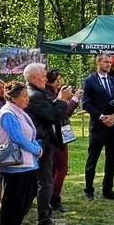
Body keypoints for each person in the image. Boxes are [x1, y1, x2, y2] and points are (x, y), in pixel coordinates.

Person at [0, 82, 44, 225]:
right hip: (14, 164)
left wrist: (36, 146)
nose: (27, 99)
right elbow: (17, 137)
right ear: (14, 98)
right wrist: (36, 150)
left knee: (27, 195)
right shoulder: (8, 113)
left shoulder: (20, 112)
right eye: (24, 96)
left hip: (27, 162)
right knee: (13, 200)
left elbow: (29, 134)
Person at [23, 63, 71, 225]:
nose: (46, 78)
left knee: (36, 182)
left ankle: (21, 218)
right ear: (35, 78)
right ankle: (44, 220)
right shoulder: (35, 95)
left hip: (42, 142)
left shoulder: (38, 93)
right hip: (41, 142)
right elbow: (53, 115)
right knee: (44, 182)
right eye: (44, 76)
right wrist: (62, 100)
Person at [82, 54, 114, 201]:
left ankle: (108, 189)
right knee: (93, 159)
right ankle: (89, 190)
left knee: (111, 159)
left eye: (110, 62)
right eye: (106, 62)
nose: (109, 64)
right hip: (98, 126)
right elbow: (86, 103)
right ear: (98, 62)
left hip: (112, 126)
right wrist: (101, 117)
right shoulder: (89, 81)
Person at [44, 70, 79, 212]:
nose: (59, 82)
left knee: (54, 168)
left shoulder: (52, 93)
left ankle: (51, 196)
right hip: (56, 135)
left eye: (60, 79)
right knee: (61, 168)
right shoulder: (49, 95)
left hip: (61, 132)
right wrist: (74, 100)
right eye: (56, 80)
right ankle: (54, 197)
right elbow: (62, 113)